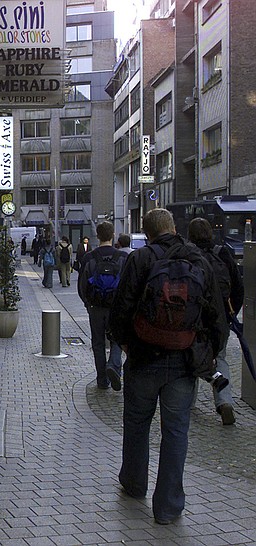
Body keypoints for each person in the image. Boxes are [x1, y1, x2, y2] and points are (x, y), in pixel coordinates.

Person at [109, 208, 227, 525]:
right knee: (176, 431)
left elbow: (120, 309)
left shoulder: (140, 259)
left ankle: (134, 484)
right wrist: (209, 351)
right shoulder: (198, 259)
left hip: (144, 357)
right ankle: (168, 507)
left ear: (146, 233)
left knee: (136, 423)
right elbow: (217, 314)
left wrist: (124, 344)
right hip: (184, 360)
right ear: (175, 228)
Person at [187, 217, 244, 425]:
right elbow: (238, 288)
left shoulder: (189, 255)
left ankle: (188, 404)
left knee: (191, 358)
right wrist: (230, 314)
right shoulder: (223, 253)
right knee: (220, 357)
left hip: (195, 318)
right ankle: (224, 400)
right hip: (220, 319)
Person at [78, 221, 128, 390]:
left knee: (98, 343)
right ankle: (113, 365)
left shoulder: (89, 258)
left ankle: (102, 380)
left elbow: (82, 285)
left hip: (96, 307)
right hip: (116, 308)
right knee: (117, 339)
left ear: (97, 236)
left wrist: (88, 303)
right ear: (113, 235)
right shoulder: (123, 258)